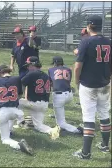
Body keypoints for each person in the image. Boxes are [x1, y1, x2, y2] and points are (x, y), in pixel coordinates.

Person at [73, 15, 111, 159]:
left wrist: (77, 82)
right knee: (104, 114)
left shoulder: (86, 41)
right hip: (104, 83)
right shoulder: (109, 42)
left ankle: (86, 153)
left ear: (89, 25)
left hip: (88, 84)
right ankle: (105, 145)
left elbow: (78, 66)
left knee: (88, 117)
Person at [0, 64, 33, 155]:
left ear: (0, 72)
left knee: (4, 139)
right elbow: (19, 95)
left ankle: (18, 145)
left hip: (3, 111)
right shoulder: (17, 79)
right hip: (15, 111)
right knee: (11, 117)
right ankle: (14, 127)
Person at [17, 56, 60, 138]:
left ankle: (21, 122)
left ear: (33, 64)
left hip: (34, 103)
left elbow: (21, 86)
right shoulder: (46, 75)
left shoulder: (31, 74)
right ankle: (52, 130)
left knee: (15, 102)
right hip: (44, 105)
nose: (27, 67)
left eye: (28, 65)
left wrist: (18, 97)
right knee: (38, 126)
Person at [48, 56, 83, 134]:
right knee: (60, 106)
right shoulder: (68, 69)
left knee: (60, 123)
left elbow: (51, 84)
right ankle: (59, 115)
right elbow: (67, 81)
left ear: (54, 63)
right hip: (69, 95)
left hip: (59, 96)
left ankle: (77, 130)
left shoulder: (50, 69)